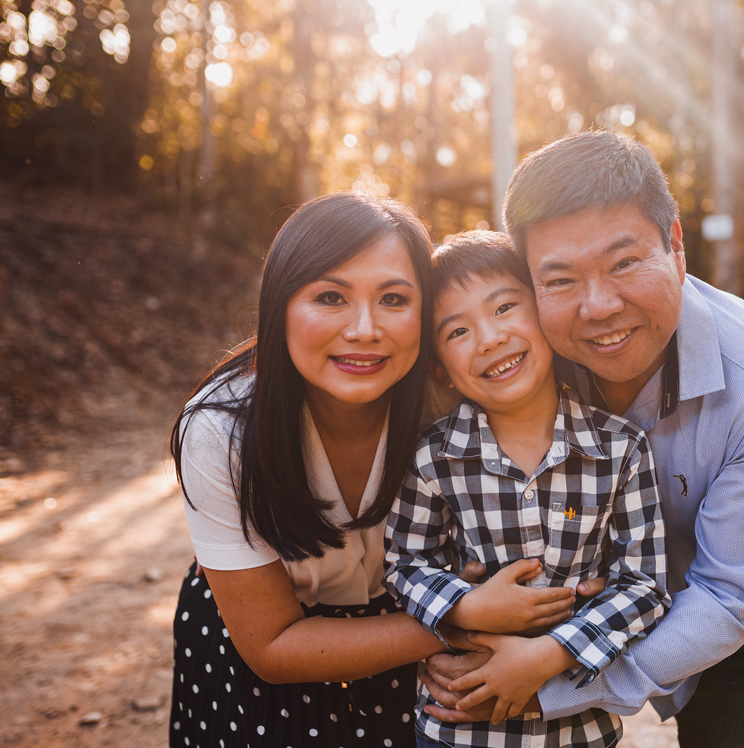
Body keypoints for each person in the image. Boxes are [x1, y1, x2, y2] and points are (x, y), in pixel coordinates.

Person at [422, 132, 744, 747]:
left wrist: (554, 673)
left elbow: (732, 593)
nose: (599, 307)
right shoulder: (521, 352)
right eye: (561, 280)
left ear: (675, 247)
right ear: (530, 283)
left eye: (625, 262)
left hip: (726, 617)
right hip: (568, 606)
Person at [167, 193, 577, 747]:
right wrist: (457, 621)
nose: (364, 329)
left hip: (422, 664)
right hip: (265, 668)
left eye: (393, 299)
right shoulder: (222, 432)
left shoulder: (455, 397)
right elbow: (269, 645)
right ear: (280, 304)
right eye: (331, 297)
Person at [383, 230, 670, 748]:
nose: (489, 339)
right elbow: (403, 565)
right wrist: (465, 607)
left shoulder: (620, 449)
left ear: (543, 312)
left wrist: (555, 650)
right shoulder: (432, 458)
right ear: (440, 372)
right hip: (458, 724)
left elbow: (644, 586)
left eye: (505, 308)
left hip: (577, 725)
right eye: (457, 332)